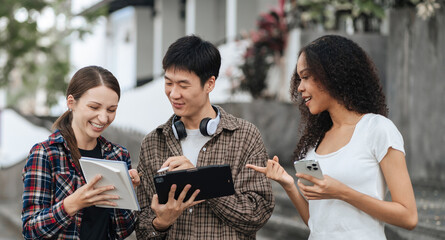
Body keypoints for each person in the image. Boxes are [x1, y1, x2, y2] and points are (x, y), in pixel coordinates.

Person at [247, 35, 418, 239]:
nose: (300, 87)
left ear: (333, 74)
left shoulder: (378, 129)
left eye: (307, 76)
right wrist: (288, 184)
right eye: (299, 79)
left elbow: (408, 217)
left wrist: (342, 192)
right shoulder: (313, 144)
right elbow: (317, 222)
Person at [135, 35, 274, 239]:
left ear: (209, 84)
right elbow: (141, 228)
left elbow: (257, 214)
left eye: (183, 85)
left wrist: (201, 183)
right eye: (168, 83)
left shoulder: (245, 136)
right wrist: (161, 223)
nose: (173, 94)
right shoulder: (153, 143)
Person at [22, 66, 140, 240]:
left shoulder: (118, 155)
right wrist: (71, 204)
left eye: (111, 109)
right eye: (94, 107)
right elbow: (31, 230)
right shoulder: (45, 154)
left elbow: (122, 231)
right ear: (71, 102)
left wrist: (127, 194)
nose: (103, 118)